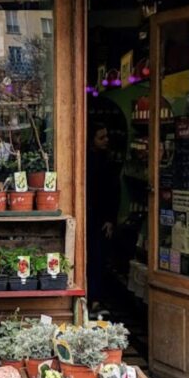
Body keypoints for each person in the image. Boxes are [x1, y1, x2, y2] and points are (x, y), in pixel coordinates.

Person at [86, 122, 120, 308]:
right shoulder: (86, 161)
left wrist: (110, 219)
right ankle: (91, 296)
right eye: (101, 137)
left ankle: (96, 297)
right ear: (91, 140)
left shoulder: (108, 161)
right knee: (91, 256)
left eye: (106, 137)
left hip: (100, 218)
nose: (106, 140)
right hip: (89, 216)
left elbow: (114, 193)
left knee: (98, 257)